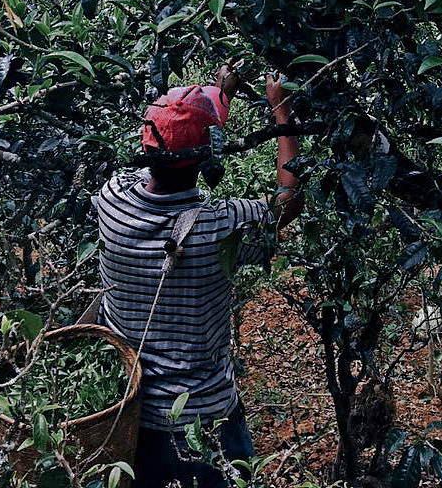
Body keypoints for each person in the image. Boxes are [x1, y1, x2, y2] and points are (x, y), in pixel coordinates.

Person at [93, 67, 302, 487]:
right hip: (206, 420)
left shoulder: (111, 201)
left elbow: (169, 153)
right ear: (208, 160)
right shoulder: (221, 227)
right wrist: (281, 110)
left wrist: (216, 102)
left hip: (132, 415)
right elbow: (288, 200)